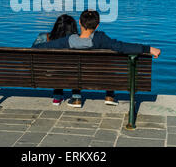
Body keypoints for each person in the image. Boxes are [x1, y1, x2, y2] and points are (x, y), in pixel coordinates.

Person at [33, 10, 161, 108]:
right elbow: (122, 46)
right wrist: (148, 49)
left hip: (75, 78)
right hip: (97, 78)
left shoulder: (68, 40)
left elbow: (43, 47)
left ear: (79, 23)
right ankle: (109, 96)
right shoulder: (100, 39)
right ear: (97, 25)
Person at [32, 14, 79, 106]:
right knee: (75, 67)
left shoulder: (44, 37)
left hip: (49, 75)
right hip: (72, 75)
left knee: (55, 66)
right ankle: (76, 96)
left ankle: (57, 96)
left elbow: (32, 53)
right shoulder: (78, 40)